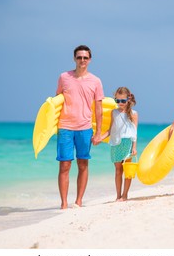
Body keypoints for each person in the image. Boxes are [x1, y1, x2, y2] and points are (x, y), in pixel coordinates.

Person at [56, 45, 104, 209]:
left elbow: (99, 108)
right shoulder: (64, 77)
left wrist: (98, 132)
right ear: (74, 58)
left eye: (85, 57)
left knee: (83, 163)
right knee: (64, 164)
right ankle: (63, 204)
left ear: (89, 60)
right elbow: (57, 100)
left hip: (85, 127)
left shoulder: (96, 81)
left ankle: (78, 201)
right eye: (79, 57)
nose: (82, 60)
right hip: (65, 127)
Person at [102, 87, 138, 201]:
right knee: (118, 170)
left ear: (128, 99)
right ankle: (118, 195)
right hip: (115, 143)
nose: (120, 103)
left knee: (127, 169)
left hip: (127, 142)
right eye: (117, 101)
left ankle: (125, 195)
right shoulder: (114, 112)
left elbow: (134, 132)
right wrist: (99, 138)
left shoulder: (134, 114)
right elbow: (110, 130)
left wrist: (134, 147)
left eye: (123, 100)